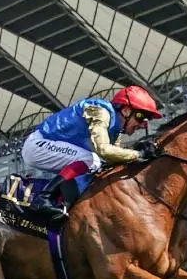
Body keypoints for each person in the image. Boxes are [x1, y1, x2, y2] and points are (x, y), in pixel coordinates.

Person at [22, 85, 163, 217]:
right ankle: (43, 198)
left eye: (147, 119)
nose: (143, 124)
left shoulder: (116, 129)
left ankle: (61, 201)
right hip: (37, 145)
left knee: (96, 164)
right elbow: (104, 150)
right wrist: (138, 154)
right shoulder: (101, 112)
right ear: (126, 110)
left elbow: (114, 158)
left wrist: (136, 152)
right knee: (92, 159)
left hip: (48, 147)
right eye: (140, 116)